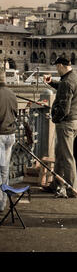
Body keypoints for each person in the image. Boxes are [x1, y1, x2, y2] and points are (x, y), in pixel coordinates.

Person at [43, 57, 77, 198]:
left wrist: (54, 118)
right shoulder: (75, 77)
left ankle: (73, 189)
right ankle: (56, 184)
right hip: (76, 121)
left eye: (56, 67)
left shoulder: (67, 81)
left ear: (60, 65)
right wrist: (51, 82)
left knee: (67, 157)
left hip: (67, 123)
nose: (56, 70)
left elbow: (64, 108)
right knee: (60, 154)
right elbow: (63, 88)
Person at [0, 70, 18, 212]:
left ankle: (0, 202)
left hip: (0, 135)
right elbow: (16, 113)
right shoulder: (12, 93)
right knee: (4, 170)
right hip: (10, 135)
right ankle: (3, 203)